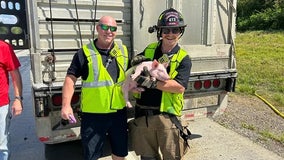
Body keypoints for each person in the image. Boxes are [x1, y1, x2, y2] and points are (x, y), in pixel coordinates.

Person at [61, 16, 129, 160]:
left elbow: (128, 76)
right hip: (93, 116)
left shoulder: (123, 51)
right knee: (91, 156)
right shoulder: (84, 53)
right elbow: (70, 78)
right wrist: (66, 105)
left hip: (118, 113)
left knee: (120, 152)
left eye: (113, 28)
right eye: (104, 27)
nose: (109, 31)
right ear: (97, 28)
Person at [128, 8, 192, 160]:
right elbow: (132, 70)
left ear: (180, 31)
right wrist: (133, 68)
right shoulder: (149, 50)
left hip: (167, 119)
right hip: (143, 116)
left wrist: (151, 83)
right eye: (166, 30)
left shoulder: (183, 58)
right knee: (147, 158)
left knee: (171, 157)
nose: (170, 34)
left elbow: (179, 87)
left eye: (175, 30)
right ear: (159, 31)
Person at [0, 40, 23, 160]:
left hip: (0, 104)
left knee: (1, 146)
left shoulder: (3, 47)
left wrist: (18, 98)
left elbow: (15, 74)